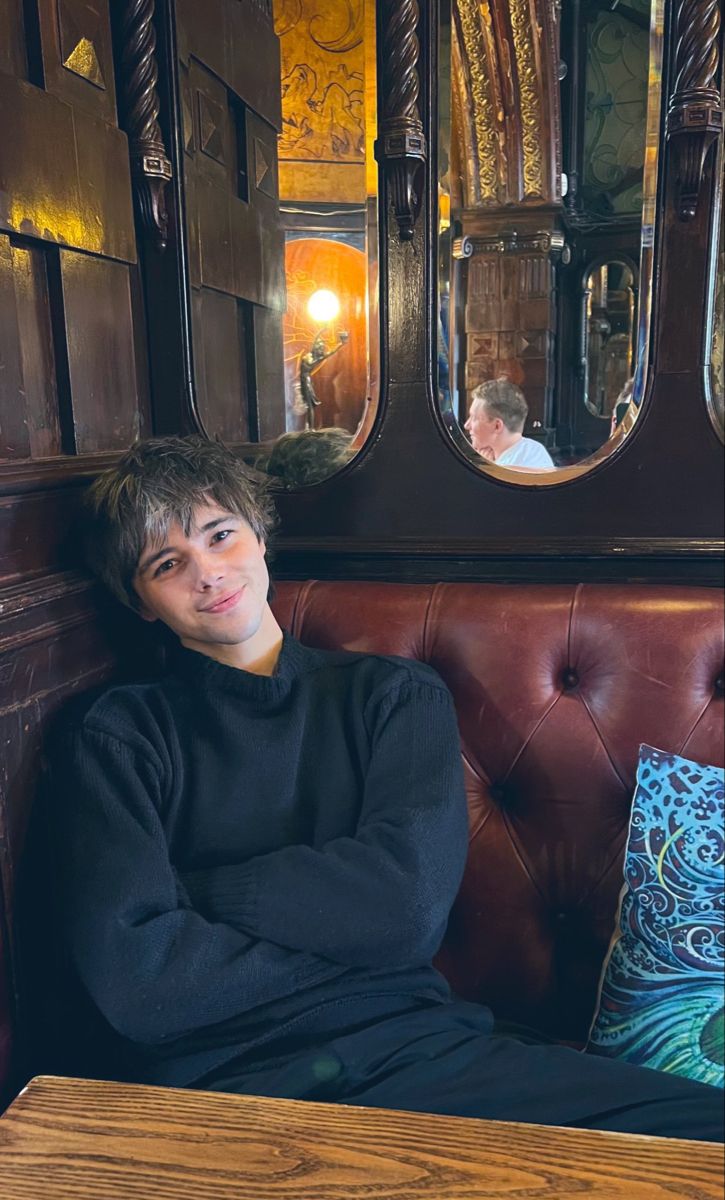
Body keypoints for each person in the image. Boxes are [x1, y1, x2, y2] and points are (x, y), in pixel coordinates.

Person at [49, 435, 722, 1141]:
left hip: (413, 1051)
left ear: (259, 537)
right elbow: (140, 988)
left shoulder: (391, 696)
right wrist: (343, 934)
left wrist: (204, 893)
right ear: (142, 602)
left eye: (220, 536)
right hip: (220, 1085)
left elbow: (406, 909)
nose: (208, 573)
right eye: (168, 563)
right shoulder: (120, 733)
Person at [464, 378, 555, 468]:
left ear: (497, 426)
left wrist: (485, 469)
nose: (467, 425)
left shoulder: (516, 469)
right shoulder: (536, 449)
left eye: (474, 418)